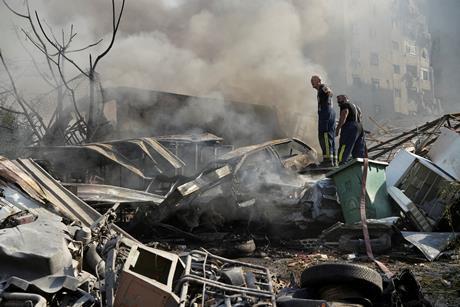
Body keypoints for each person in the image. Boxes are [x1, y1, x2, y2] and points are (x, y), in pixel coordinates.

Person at [310, 75, 336, 167]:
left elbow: (329, 92)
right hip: (329, 112)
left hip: (326, 113)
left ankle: (328, 161)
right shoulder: (319, 90)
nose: (311, 82)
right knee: (330, 136)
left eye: (313, 80)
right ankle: (333, 160)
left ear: (319, 81)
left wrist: (328, 95)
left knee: (324, 136)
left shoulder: (322, 87)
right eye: (311, 81)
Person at [335, 95, 366, 165]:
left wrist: (337, 129)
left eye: (339, 99)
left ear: (345, 99)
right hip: (360, 127)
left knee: (344, 145)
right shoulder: (356, 107)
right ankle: (360, 164)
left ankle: (341, 163)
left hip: (350, 126)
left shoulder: (345, 105)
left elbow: (344, 114)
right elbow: (360, 116)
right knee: (358, 148)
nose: (338, 102)